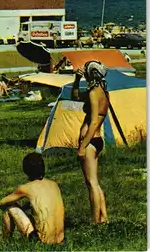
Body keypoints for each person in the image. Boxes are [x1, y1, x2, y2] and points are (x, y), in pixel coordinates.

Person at [71, 60, 109, 224]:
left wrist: (82, 146)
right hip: (96, 140)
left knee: (91, 183)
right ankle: (104, 218)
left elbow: (93, 122)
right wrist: (76, 80)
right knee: (95, 182)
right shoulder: (103, 92)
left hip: (90, 141)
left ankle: (95, 222)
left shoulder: (94, 93)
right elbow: (76, 96)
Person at [0, 152, 65, 244]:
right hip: (60, 240)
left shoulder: (26, 188)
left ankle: (5, 242)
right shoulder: (54, 184)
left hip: (41, 241)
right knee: (32, 208)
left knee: (9, 207)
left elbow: (2, 202)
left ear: (26, 170)